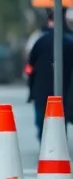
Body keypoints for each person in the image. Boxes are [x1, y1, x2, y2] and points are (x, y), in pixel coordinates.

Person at [26, 9, 73, 140]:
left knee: (42, 120)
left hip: (41, 89)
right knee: (60, 120)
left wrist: (31, 87)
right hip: (64, 89)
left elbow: (30, 66)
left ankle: (45, 144)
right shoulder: (69, 42)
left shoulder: (39, 41)